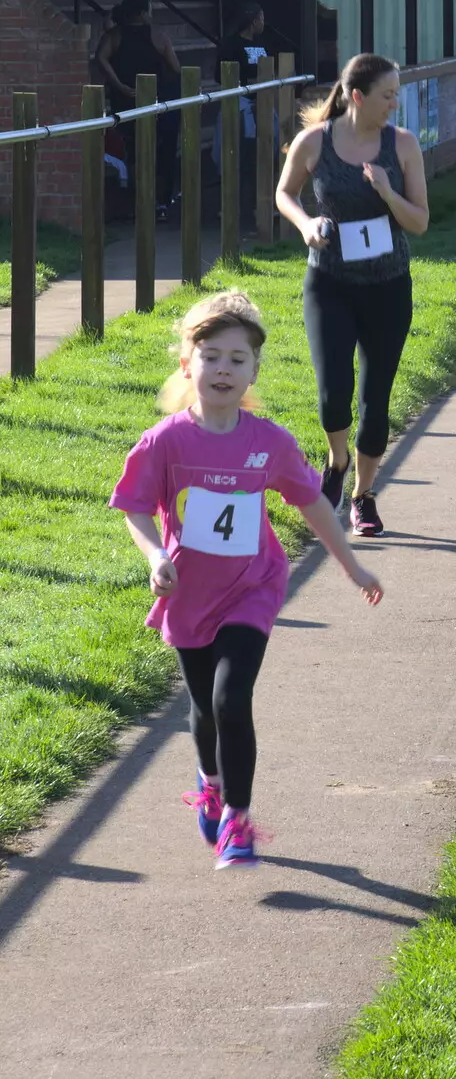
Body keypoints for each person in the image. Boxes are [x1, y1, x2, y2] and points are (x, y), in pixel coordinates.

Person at [109, 290, 383, 868]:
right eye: (211, 356)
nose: (223, 369)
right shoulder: (166, 441)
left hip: (251, 588)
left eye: (237, 358)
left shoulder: (270, 443)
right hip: (187, 594)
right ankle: (208, 779)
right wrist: (156, 556)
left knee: (232, 699)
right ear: (188, 365)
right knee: (204, 708)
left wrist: (354, 567)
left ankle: (237, 819)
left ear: (255, 369)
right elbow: (134, 505)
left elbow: (314, 506)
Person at [276, 53, 429, 535]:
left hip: (387, 287)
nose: (395, 104)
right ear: (357, 96)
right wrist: (306, 225)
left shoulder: (401, 145)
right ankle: (337, 461)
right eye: (388, 95)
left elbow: (420, 223)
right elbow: (285, 193)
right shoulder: (314, 142)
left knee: (375, 398)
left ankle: (364, 495)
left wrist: (386, 192)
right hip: (330, 284)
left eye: (397, 94)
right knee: (333, 391)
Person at [95, 0, 182, 219]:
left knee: (133, 151)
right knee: (159, 149)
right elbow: (176, 67)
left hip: (125, 100)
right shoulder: (159, 35)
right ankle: (159, 202)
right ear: (143, 13)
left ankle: (140, 201)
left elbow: (100, 58)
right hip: (155, 100)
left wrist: (119, 84)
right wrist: (164, 86)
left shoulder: (114, 36)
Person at [216, 2, 270, 231]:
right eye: (261, 18)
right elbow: (220, 75)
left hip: (263, 105)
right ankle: (232, 205)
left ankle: (258, 204)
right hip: (241, 104)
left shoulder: (261, 44)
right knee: (238, 152)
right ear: (252, 20)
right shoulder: (230, 45)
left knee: (262, 153)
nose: (263, 23)